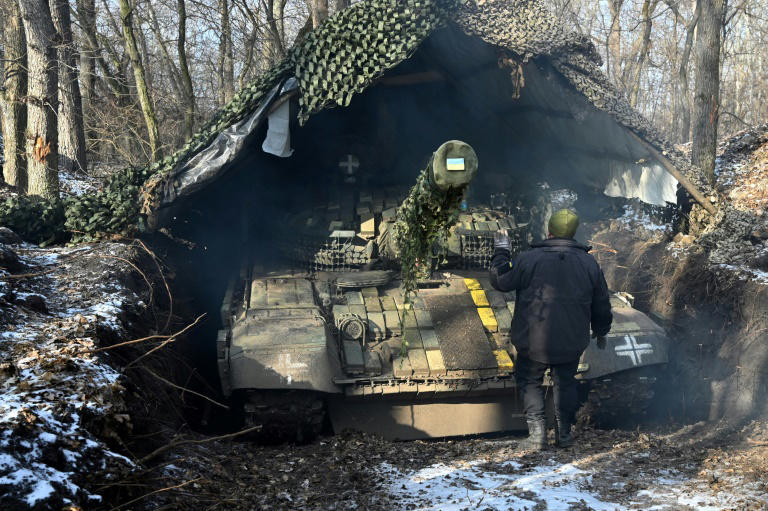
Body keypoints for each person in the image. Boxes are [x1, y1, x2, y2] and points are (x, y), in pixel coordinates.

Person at [490, 208, 612, 451]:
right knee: (565, 383)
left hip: (532, 339)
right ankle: (564, 435)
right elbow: (601, 303)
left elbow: (500, 280)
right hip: (571, 340)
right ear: (573, 233)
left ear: (549, 231)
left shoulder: (528, 259)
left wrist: (502, 251)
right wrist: (601, 330)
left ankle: (537, 437)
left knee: (530, 381)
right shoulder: (589, 263)